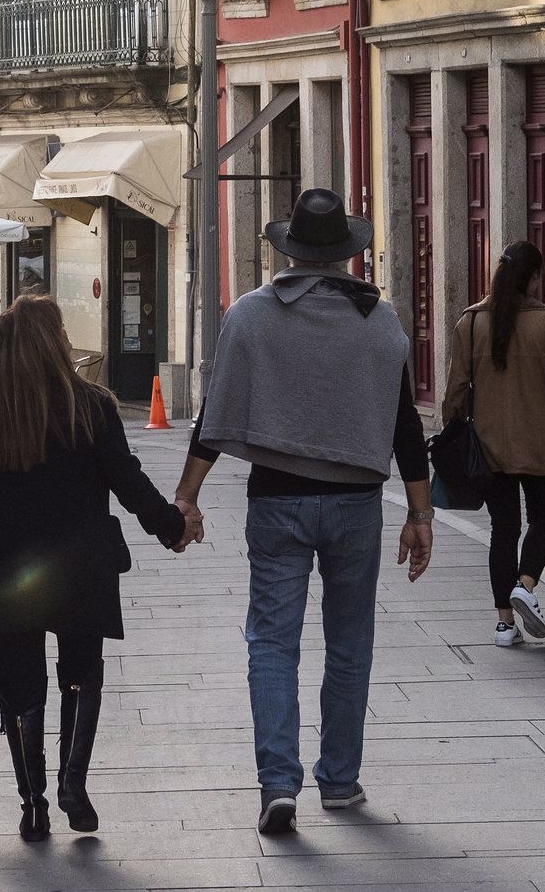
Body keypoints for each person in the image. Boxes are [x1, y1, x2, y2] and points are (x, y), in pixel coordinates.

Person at [172, 188, 433, 836]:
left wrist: (187, 495)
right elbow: (404, 423)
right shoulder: (383, 321)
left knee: (272, 640)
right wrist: (420, 512)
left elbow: (213, 415)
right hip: (355, 502)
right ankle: (339, 779)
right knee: (349, 641)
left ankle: (279, 782)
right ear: (346, 251)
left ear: (288, 246)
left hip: (279, 498)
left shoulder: (252, 315)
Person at [0, 295, 187, 844]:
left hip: (10, 566)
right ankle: (73, 785)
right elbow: (127, 480)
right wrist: (171, 526)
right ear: (54, 343)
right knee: (80, 671)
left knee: (21, 683)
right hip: (82, 563)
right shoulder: (93, 407)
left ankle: (32, 804)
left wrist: (2, 513)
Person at [442, 241, 545, 648]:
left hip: (489, 448)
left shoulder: (471, 324)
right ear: (535, 277)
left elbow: (456, 391)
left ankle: (505, 624)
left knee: (503, 530)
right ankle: (525, 585)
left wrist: (452, 431)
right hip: (543, 446)